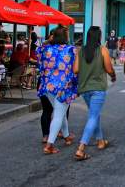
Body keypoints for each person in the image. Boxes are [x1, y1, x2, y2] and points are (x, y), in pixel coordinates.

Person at [73, 26, 116, 161]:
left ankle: (100, 140)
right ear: (99, 36)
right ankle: (81, 148)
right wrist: (113, 76)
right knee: (93, 117)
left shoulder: (81, 51)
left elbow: (75, 70)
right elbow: (109, 68)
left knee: (94, 115)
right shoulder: (102, 50)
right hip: (98, 88)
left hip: (85, 88)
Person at [38, 26, 77, 155]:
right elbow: (76, 68)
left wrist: (50, 40)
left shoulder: (45, 49)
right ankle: (50, 145)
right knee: (59, 114)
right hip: (64, 86)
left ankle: (66, 136)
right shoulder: (71, 50)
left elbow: (38, 55)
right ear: (65, 37)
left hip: (48, 85)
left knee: (59, 110)